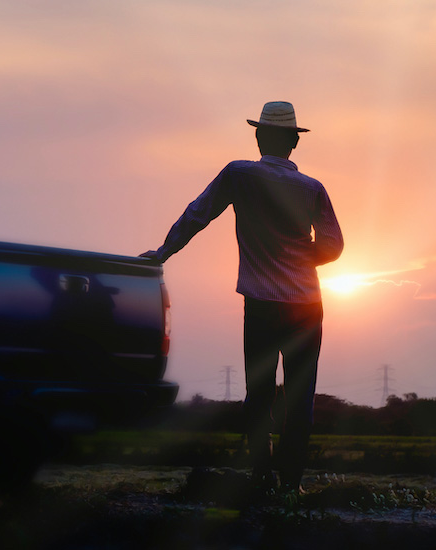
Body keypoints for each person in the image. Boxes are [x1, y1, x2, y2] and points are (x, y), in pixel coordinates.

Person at [140, 101, 343, 495]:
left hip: (262, 304)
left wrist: (163, 252)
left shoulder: (239, 175)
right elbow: (334, 246)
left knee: (259, 393)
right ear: (294, 144)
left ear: (258, 136)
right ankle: (291, 485)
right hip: (306, 306)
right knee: (300, 397)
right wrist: (302, 256)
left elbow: (197, 214)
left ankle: (262, 475)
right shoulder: (312, 188)